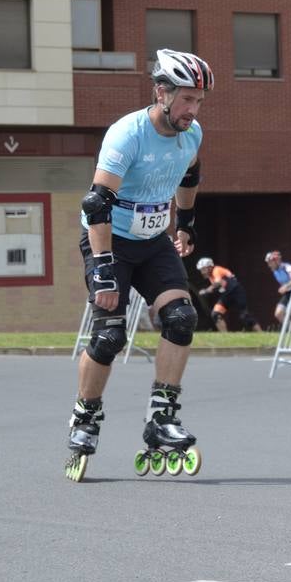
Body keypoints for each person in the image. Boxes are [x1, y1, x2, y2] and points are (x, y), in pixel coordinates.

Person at [65, 48, 214, 482]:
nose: (193, 109)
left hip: (152, 242)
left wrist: (185, 224)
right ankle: (85, 417)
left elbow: (189, 177)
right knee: (110, 335)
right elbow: (96, 206)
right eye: (187, 99)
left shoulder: (192, 134)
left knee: (182, 318)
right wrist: (106, 272)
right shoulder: (126, 134)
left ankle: (161, 416)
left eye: (199, 101)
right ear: (161, 93)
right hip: (108, 239)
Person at [195, 256, 260, 332]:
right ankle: (225, 336)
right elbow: (219, 286)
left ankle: (261, 334)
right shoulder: (211, 276)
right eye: (201, 270)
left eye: (203, 269)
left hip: (236, 292)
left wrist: (206, 290)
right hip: (227, 294)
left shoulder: (216, 270)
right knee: (215, 314)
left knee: (245, 316)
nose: (202, 272)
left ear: (209, 267)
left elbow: (218, 283)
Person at [265, 250, 291, 327]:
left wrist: (285, 286)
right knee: (278, 313)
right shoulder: (274, 271)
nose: (269, 265)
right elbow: (282, 283)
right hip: (288, 292)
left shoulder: (287, 267)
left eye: (270, 262)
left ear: (276, 261)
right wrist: (283, 288)